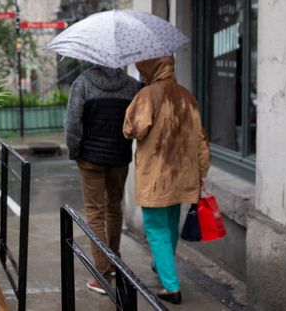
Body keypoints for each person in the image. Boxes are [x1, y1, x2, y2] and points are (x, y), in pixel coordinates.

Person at [123, 56, 210, 305]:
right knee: (170, 225)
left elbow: (132, 129)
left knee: (156, 228)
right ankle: (162, 266)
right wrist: (202, 172)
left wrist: (133, 107)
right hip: (183, 174)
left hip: (157, 176)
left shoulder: (148, 95)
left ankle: (171, 286)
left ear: (151, 68)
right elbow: (201, 138)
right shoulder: (187, 96)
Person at [65, 64, 142, 294]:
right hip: (119, 157)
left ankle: (101, 274)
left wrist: (74, 150)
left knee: (95, 213)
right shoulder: (132, 86)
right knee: (114, 208)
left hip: (90, 158)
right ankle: (114, 260)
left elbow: (72, 124)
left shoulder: (83, 82)